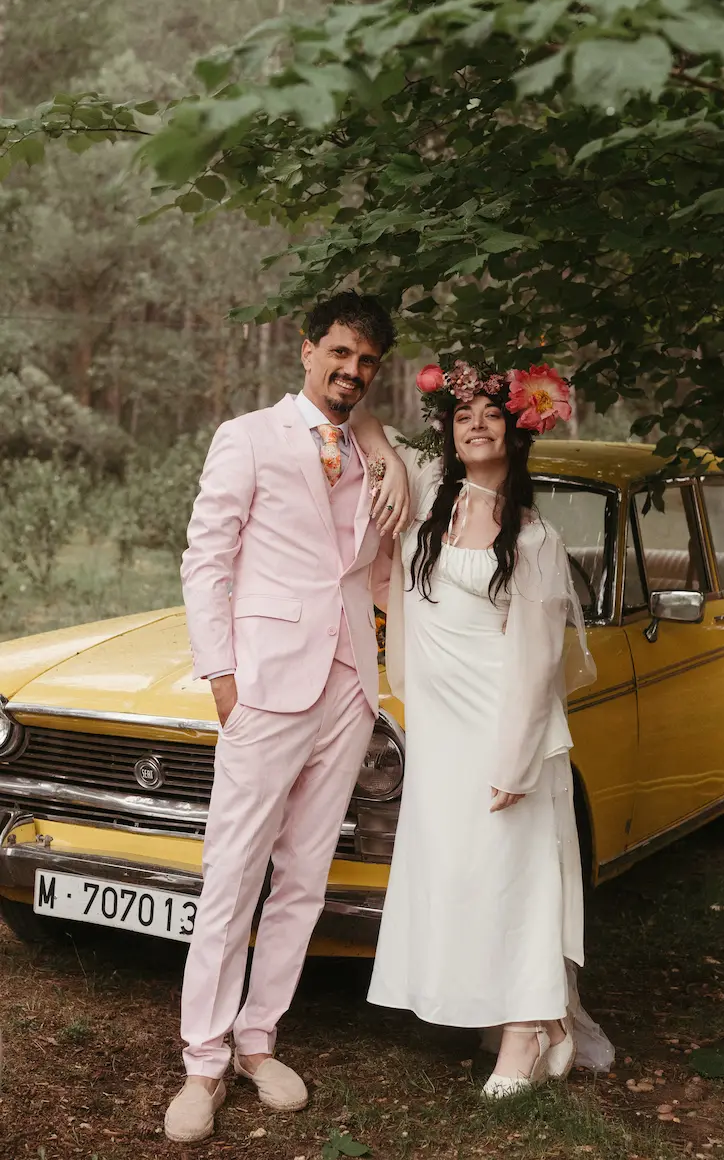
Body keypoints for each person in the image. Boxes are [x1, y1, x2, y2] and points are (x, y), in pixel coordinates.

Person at [165, 291, 410, 1143]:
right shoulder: (248, 436)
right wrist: (223, 676)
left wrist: (395, 459)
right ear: (307, 350)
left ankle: (258, 1040)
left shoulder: (377, 451)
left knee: (305, 875)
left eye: (366, 363)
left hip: (348, 682)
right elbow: (207, 556)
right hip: (264, 683)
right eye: (339, 354)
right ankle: (201, 1060)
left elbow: (384, 549)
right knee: (232, 872)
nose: (350, 371)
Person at [355, 356, 614, 1096]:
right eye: (463, 415)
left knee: (513, 875)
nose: (473, 424)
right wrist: (390, 468)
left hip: (500, 730)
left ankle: (529, 1028)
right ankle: (500, 1014)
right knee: (458, 875)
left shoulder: (529, 541)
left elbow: (534, 668)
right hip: (437, 730)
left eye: (491, 416)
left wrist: (515, 761)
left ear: (515, 435)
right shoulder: (431, 499)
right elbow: (367, 422)